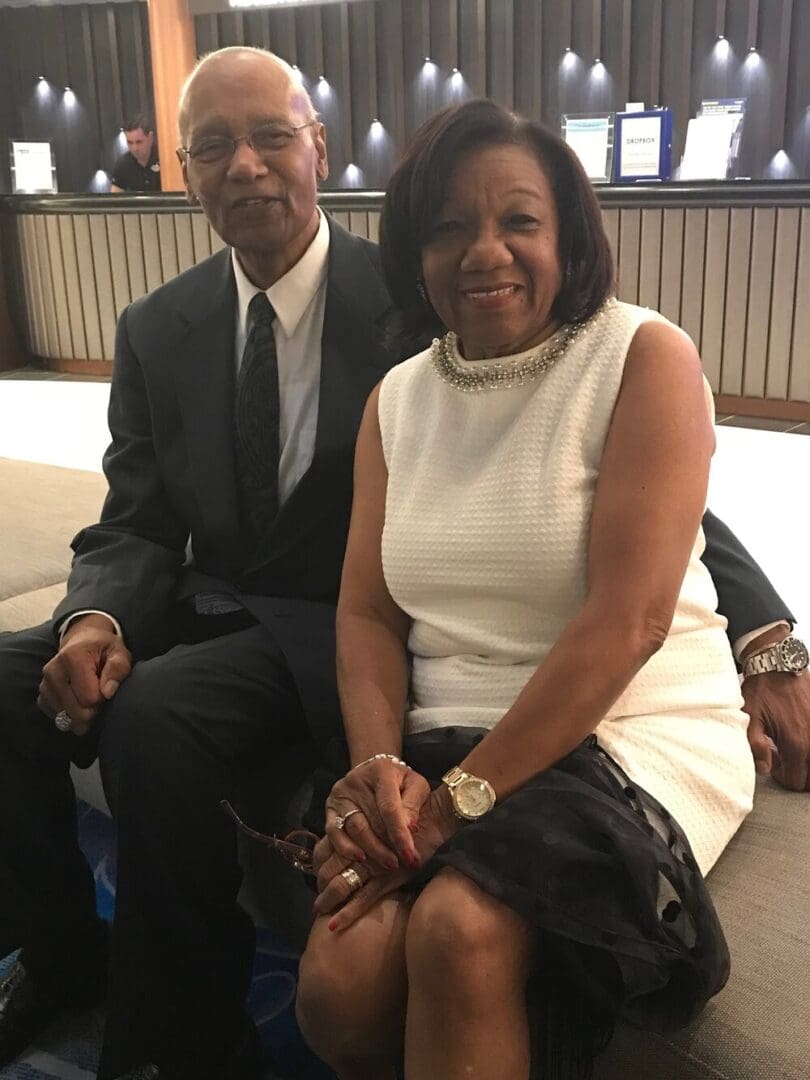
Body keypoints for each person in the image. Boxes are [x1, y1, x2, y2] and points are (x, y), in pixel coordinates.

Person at [0, 50, 805, 1080]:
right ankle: (67, 967)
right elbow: (138, 517)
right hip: (261, 614)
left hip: (332, 628)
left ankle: (179, 1049)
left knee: (164, 723)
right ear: (185, 173)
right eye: (212, 146)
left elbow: (640, 510)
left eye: (271, 137)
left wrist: (766, 635)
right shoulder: (163, 326)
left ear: (316, 148)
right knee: (13, 683)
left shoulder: (416, 296)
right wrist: (96, 622)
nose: (245, 165)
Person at [294, 99, 809, 1080]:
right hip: (447, 722)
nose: (484, 251)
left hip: (624, 724)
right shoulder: (395, 400)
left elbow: (638, 613)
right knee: (339, 988)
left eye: (518, 221)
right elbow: (366, 609)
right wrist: (376, 771)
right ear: (413, 252)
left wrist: (457, 806)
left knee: (458, 927)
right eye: (449, 226)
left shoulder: (641, 355)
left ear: (569, 238)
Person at [110, 115, 161, 193]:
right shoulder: (122, 165)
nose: (135, 148)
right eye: (130, 142)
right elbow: (114, 200)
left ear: (150, 138)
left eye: (139, 142)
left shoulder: (163, 158)